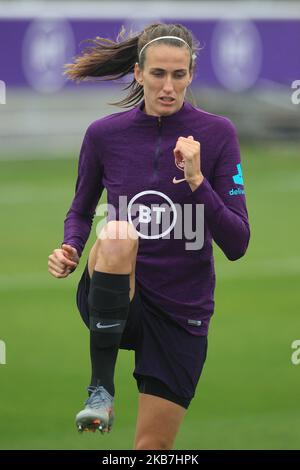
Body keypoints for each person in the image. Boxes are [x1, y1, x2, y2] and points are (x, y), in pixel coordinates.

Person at [48, 22, 250, 450]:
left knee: (152, 451)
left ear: (191, 73)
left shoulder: (218, 134)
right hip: (118, 293)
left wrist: (197, 180)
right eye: (158, 74)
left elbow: (237, 244)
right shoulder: (104, 134)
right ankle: (100, 390)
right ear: (138, 73)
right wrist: (70, 246)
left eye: (178, 75)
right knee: (118, 230)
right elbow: (81, 210)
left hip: (183, 310)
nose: (168, 86)